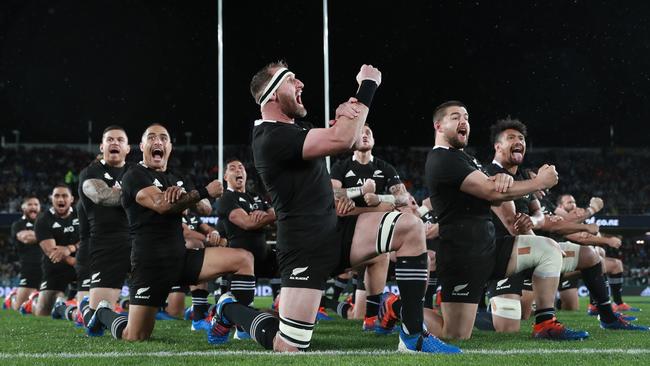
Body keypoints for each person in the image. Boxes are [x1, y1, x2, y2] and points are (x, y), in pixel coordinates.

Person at [208, 61, 459, 354]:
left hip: (334, 230)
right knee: (289, 345)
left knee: (410, 226)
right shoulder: (269, 137)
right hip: (304, 247)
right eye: (292, 80)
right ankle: (229, 308)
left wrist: (345, 123)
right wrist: (367, 85)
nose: (301, 84)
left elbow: (327, 166)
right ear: (272, 94)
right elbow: (344, 138)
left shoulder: (294, 129)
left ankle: (413, 335)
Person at [425, 101, 587, 341]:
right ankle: (399, 307)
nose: (464, 122)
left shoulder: (466, 159)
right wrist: (539, 182)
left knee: (548, 249)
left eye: (467, 118)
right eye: (455, 117)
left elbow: (491, 191)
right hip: (463, 256)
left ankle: (545, 323)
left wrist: (500, 184)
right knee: (455, 334)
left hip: (490, 247)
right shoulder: (443, 159)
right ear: (438, 125)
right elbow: (492, 193)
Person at [87, 123, 255, 341]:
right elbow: (161, 204)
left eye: (163, 138)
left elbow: (204, 207)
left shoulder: (176, 177)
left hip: (180, 258)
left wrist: (188, 195)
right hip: (150, 265)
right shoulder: (133, 175)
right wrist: (201, 191)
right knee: (135, 335)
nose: (158, 142)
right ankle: (103, 313)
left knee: (243, 259)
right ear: (142, 145)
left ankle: (239, 325)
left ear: (170, 147)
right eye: (152, 138)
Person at [483, 118, 647, 332]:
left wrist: (533, 222)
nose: (518, 141)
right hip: (503, 258)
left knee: (590, 254)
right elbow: (512, 224)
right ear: (497, 146)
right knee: (508, 326)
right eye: (511, 138)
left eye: (521, 138)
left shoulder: (524, 177)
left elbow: (539, 214)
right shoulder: (490, 175)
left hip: (531, 250)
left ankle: (608, 317)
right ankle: (476, 311)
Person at [328, 124, 406, 329]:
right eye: (360, 133)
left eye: (368, 132)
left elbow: (403, 198)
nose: (364, 135)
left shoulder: (385, 168)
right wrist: (360, 191)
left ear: (374, 140)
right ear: (352, 141)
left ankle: (372, 318)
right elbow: (331, 195)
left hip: (371, 235)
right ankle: (321, 301)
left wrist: (378, 197)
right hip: (342, 233)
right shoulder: (341, 167)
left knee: (381, 255)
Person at [77, 126, 135, 335]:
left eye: (120, 140)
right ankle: (87, 308)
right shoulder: (90, 173)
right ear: (102, 146)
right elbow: (102, 196)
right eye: (110, 139)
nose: (115, 143)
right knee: (95, 321)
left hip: (140, 242)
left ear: (128, 148)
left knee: (161, 311)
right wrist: (138, 195)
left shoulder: (136, 171)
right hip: (106, 246)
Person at [31, 184, 79, 316]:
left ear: (72, 199)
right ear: (51, 199)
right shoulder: (43, 220)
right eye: (57, 196)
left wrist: (71, 248)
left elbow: (89, 238)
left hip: (82, 266)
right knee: (43, 313)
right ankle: (33, 302)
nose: (60, 199)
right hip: (55, 268)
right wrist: (75, 261)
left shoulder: (81, 215)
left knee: (87, 307)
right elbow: (52, 252)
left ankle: (67, 299)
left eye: (64, 196)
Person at [8, 197, 42, 311]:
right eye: (30, 204)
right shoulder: (18, 224)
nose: (33, 207)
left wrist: (35, 235)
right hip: (29, 267)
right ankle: (12, 298)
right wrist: (48, 235)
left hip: (48, 267)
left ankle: (33, 299)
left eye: (36, 204)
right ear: (23, 207)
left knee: (46, 306)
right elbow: (26, 238)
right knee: (18, 306)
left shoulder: (44, 222)